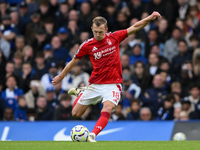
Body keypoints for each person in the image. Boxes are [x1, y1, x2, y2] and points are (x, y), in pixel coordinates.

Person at [52, 12, 161, 142]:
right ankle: (82, 93)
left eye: (101, 32)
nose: (98, 35)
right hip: (95, 84)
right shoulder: (87, 45)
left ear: (106, 29)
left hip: (113, 84)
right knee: (76, 113)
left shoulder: (114, 38)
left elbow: (135, 27)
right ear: (92, 29)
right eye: (96, 32)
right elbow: (73, 61)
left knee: (108, 107)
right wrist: (61, 76)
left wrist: (149, 18)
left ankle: (92, 135)